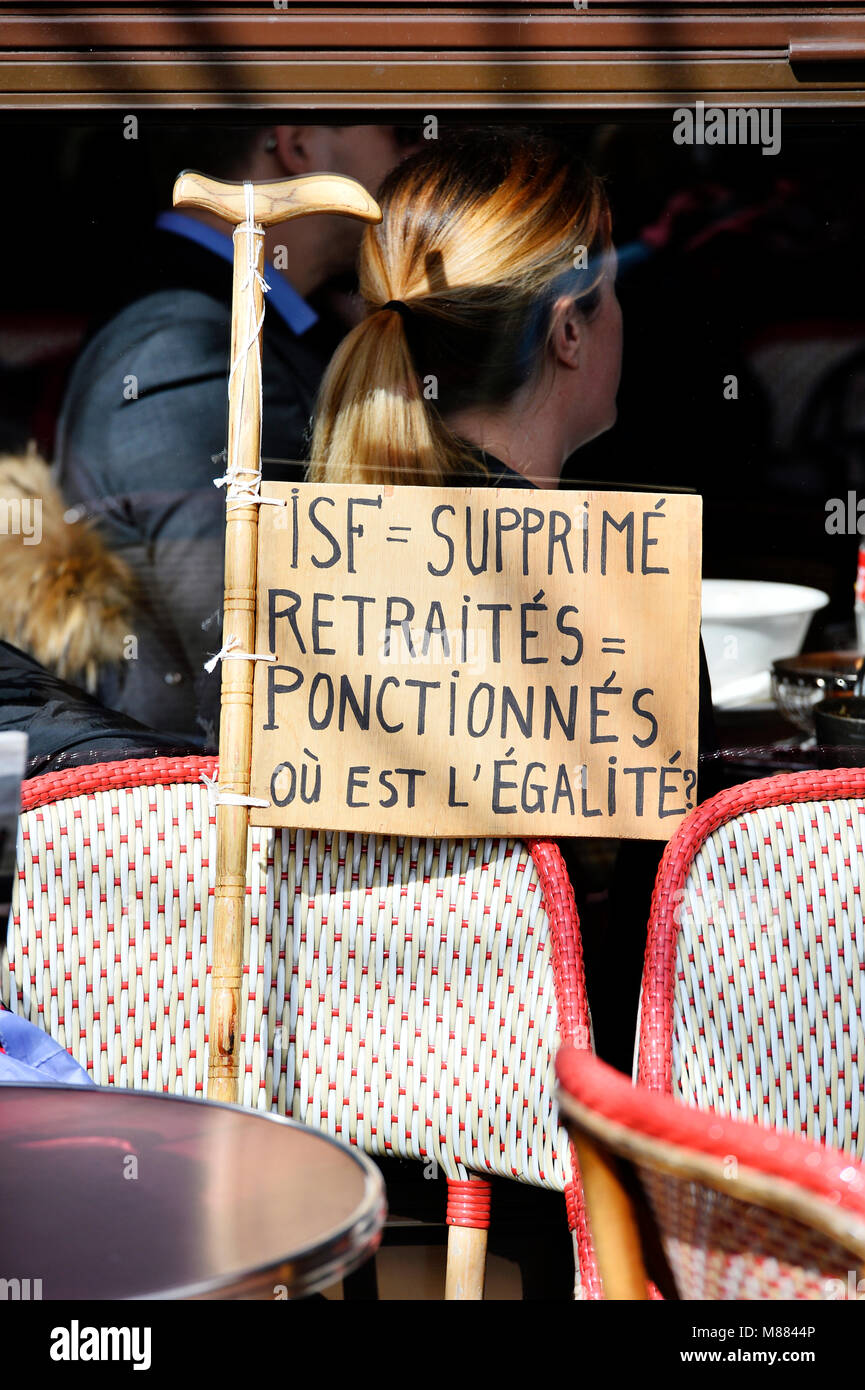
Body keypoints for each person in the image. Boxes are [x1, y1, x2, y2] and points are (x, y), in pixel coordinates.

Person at [308, 128, 718, 1074]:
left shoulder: (312, 561)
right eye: (611, 293)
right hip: (562, 1134)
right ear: (569, 330)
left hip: (347, 1101)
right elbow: (670, 940)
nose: (625, 319)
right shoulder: (622, 597)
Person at [55, 123, 416, 746]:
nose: (424, 152)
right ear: (299, 142)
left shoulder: (262, 325)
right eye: (403, 132)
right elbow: (253, 663)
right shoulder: (185, 349)